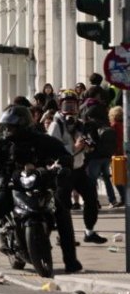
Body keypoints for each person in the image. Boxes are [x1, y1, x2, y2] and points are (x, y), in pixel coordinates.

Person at [0, 105, 81, 273]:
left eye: (12, 126)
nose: (9, 129)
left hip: (40, 185)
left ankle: (71, 260)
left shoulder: (42, 140)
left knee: (62, 213)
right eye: (7, 126)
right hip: (13, 186)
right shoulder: (2, 142)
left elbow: (63, 154)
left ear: (23, 125)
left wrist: (63, 166)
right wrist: (0, 177)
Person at [48, 91, 106, 245]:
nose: (70, 109)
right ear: (60, 106)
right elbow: (53, 149)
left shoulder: (80, 124)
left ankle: (89, 231)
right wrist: (74, 147)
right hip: (63, 170)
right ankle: (64, 237)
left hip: (79, 169)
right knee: (63, 205)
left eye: (73, 105)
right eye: (67, 105)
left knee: (91, 199)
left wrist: (87, 146)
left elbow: (87, 143)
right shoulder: (56, 125)